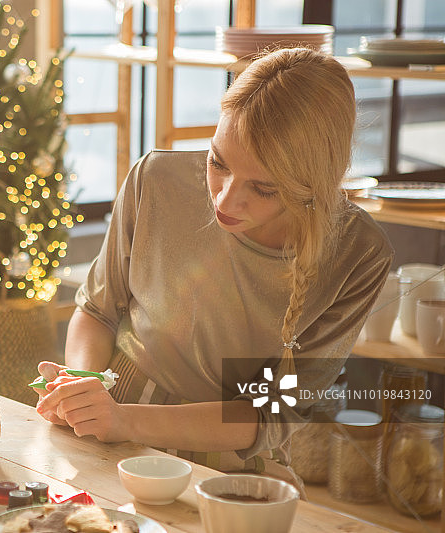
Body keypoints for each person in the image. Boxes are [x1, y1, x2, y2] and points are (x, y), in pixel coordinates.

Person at [34, 47, 393, 489]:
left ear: (310, 184)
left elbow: (269, 412)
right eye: (217, 162)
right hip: (112, 416)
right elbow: (97, 311)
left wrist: (127, 421)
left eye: (262, 188)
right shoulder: (155, 179)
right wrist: (83, 386)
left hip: (223, 449)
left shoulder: (358, 253)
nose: (223, 200)